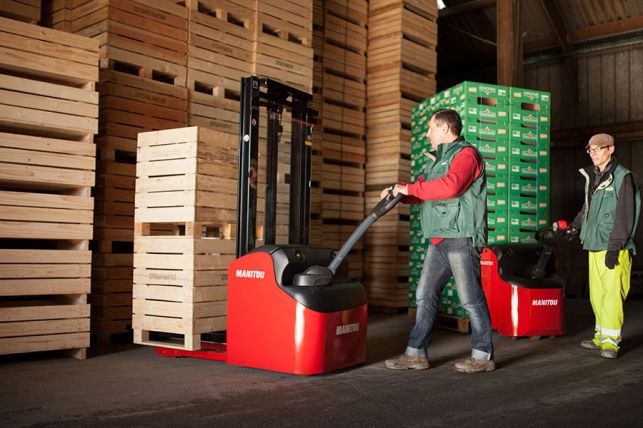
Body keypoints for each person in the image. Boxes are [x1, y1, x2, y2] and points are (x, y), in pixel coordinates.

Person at [382, 108, 494, 373]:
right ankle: (416, 354)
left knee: (470, 298)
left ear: (445, 128)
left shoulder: (466, 155)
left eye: (431, 127)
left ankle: (483, 356)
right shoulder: (438, 160)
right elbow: (423, 190)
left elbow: (451, 186)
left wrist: (408, 188)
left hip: (460, 236)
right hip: (440, 239)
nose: (427, 133)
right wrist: (398, 192)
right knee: (424, 294)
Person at [567, 133, 640, 359]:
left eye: (599, 149)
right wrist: (575, 226)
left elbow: (625, 214)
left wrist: (615, 247)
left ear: (611, 149)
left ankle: (611, 343)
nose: (594, 153)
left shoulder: (623, 177)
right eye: (591, 149)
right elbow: (587, 207)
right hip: (594, 243)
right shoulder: (594, 176)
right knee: (597, 295)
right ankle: (600, 337)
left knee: (612, 296)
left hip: (614, 247)